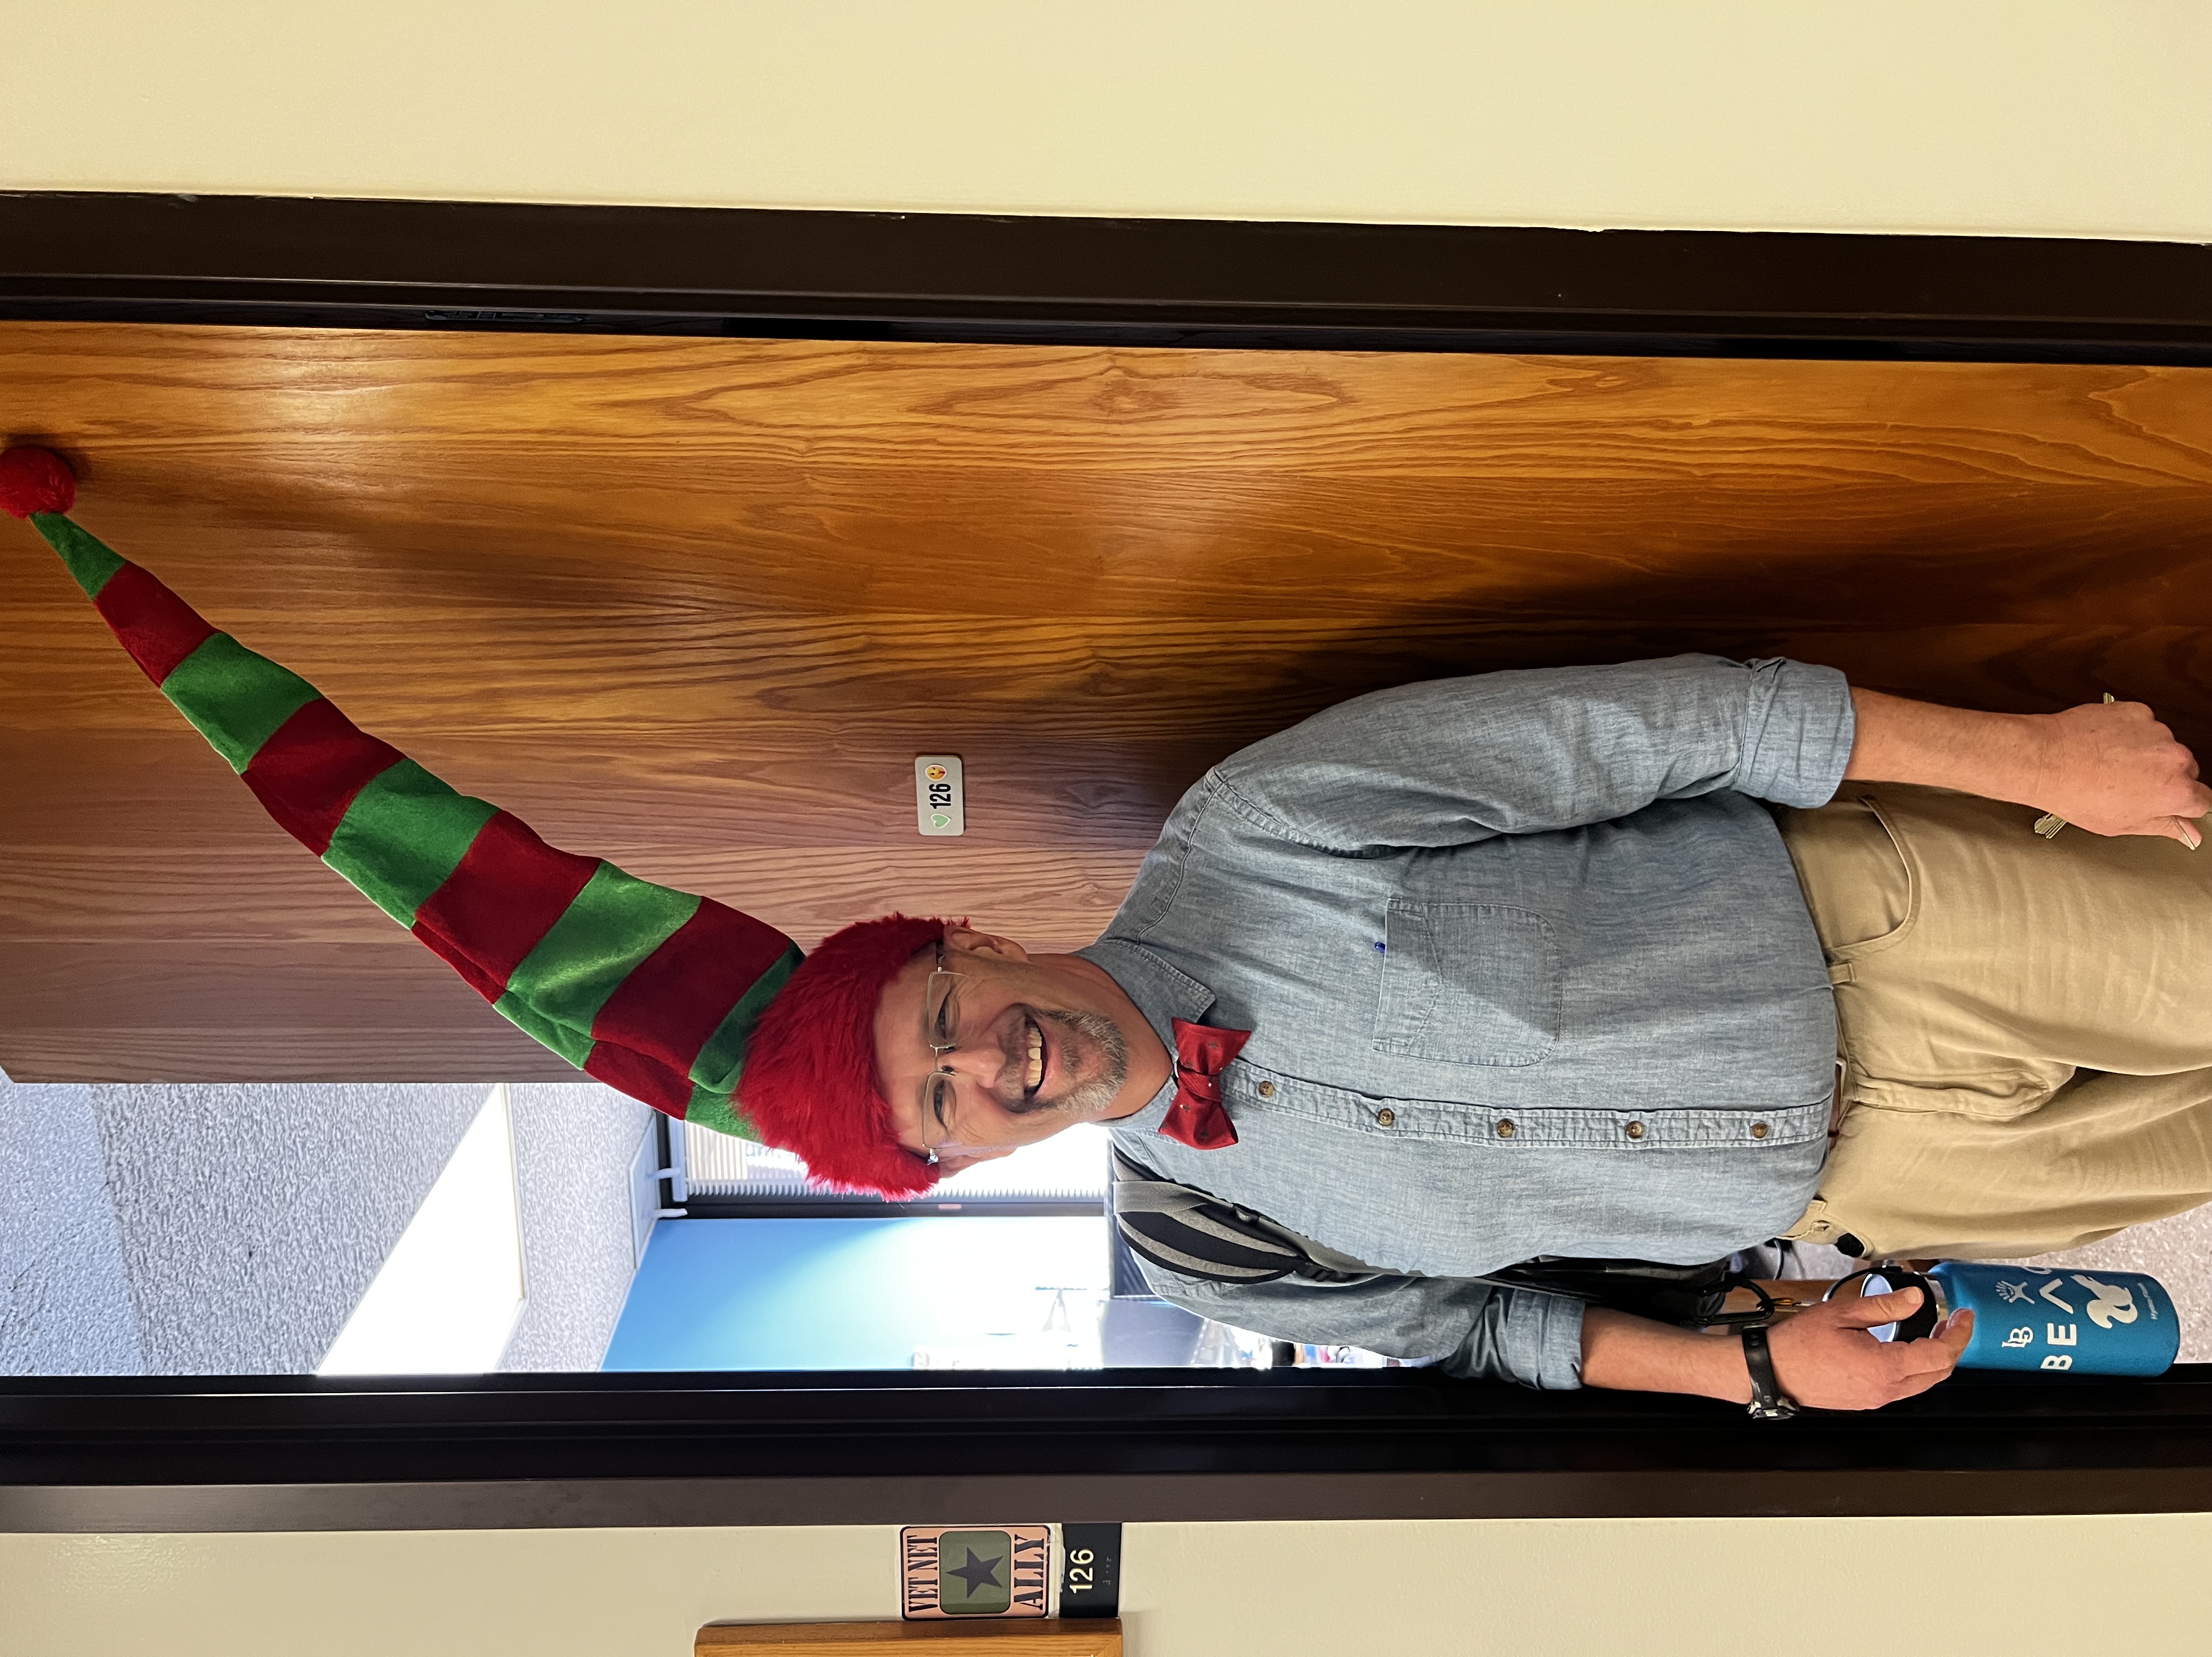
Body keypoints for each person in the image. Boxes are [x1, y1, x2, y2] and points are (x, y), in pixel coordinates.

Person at [9, 444, 2209, 1414]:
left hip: (1891, 923)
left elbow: (1654, 724)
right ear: (961, 1168)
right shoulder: (1206, 1255)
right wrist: (1744, 1360)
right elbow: (1476, 1336)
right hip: (1873, 1183)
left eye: (945, 1023)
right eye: (943, 1116)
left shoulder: (1260, 828)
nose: (987, 1073)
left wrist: (2030, 761)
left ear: (971, 943)